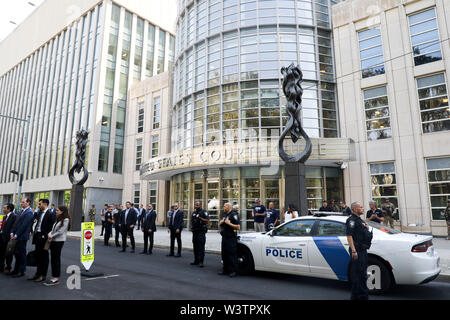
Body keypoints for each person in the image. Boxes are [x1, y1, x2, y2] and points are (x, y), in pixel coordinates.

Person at [346, 201, 372, 300]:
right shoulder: (351, 220)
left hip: (362, 250)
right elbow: (349, 236)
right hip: (357, 251)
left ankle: (357, 297)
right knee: (359, 275)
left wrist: (367, 228)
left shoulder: (359, 220)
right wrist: (353, 251)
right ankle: (361, 297)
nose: (363, 208)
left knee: (362, 275)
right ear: (354, 209)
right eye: (360, 207)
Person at [29, 199, 56, 282]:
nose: (38, 205)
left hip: (45, 238)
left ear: (45, 204)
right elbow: (34, 222)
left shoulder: (51, 214)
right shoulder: (38, 213)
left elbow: (52, 227)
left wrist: (46, 235)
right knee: (38, 255)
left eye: (40, 204)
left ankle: (43, 275)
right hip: (37, 236)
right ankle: (37, 273)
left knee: (44, 257)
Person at [44, 205, 71, 286]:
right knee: (53, 258)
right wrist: (49, 234)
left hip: (59, 241)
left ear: (62, 211)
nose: (56, 211)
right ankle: (54, 276)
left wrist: (52, 235)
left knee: (56, 259)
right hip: (53, 240)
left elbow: (61, 231)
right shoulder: (58, 218)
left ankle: (55, 277)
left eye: (57, 210)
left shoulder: (66, 220)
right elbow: (53, 229)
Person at [8, 198, 34, 278]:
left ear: (28, 203)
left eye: (23, 202)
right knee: (16, 254)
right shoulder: (20, 211)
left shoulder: (29, 212)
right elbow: (15, 224)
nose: (21, 203)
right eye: (21, 202)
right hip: (16, 236)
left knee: (22, 254)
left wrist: (16, 235)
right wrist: (12, 232)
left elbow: (24, 225)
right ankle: (16, 270)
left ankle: (21, 271)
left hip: (22, 237)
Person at [218, 203, 240, 278]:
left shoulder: (234, 215)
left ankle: (233, 271)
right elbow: (221, 223)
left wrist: (229, 223)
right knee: (224, 254)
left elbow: (238, 227)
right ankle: (225, 270)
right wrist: (221, 223)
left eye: (224, 206)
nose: (223, 207)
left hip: (231, 237)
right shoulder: (225, 214)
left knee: (232, 254)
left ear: (229, 207)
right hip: (224, 237)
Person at [190, 201, 209, 267]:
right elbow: (192, 220)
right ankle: (196, 260)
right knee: (195, 246)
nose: (196, 206)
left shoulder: (204, 212)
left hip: (201, 231)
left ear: (200, 205)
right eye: (195, 205)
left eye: (197, 205)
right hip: (195, 231)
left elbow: (207, 221)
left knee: (201, 247)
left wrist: (200, 218)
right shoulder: (194, 212)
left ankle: (201, 262)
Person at [0, 204, 17, 274]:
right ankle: (1, 266)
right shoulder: (5, 217)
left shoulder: (14, 217)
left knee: (8, 254)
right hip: (2, 237)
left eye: (4, 208)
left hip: (8, 238)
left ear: (9, 209)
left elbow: (14, 227)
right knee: (1, 253)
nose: (3, 209)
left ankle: (8, 267)